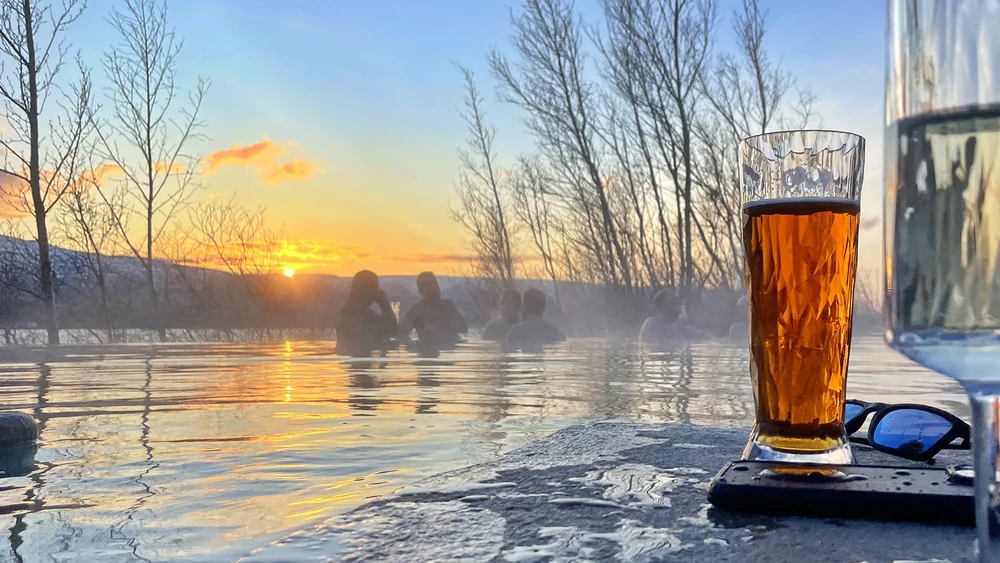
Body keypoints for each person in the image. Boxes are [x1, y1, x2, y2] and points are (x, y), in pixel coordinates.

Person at [335, 270, 398, 355]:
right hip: (358, 358)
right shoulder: (352, 314)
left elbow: (392, 331)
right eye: (375, 290)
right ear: (365, 290)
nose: (377, 293)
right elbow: (358, 343)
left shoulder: (362, 311)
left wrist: (384, 305)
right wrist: (385, 305)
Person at [398, 272, 468, 347]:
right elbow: (401, 334)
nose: (434, 288)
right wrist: (414, 346)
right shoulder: (416, 311)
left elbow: (464, 329)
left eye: (435, 284)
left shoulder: (448, 306)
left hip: (450, 347)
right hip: (428, 349)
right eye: (429, 285)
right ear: (420, 291)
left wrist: (447, 324)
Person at [639, 288, 708, 344]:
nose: (678, 308)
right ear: (661, 306)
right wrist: (678, 329)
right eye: (673, 304)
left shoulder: (680, 327)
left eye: (678, 304)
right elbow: (659, 346)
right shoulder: (651, 324)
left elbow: (706, 336)